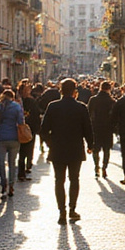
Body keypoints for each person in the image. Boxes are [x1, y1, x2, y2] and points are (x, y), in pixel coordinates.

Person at [40, 78, 93, 225]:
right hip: (75, 148)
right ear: (75, 91)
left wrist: (51, 143)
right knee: (74, 179)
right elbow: (87, 128)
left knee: (59, 180)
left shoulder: (53, 106)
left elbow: (43, 130)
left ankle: (61, 212)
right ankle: (72, 209)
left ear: (61, 91)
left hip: (58, 148)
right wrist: (90, 144)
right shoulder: (81, 107)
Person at [0, 88, 24, 199]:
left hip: (0, 137)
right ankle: (11, 185)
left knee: (1, 163)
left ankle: (3, 184)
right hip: (14, 137)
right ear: (13, 97)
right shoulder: (16, 106)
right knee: (12, 163)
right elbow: (21, 121)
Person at [87, 80, 114, 177]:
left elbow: (88, 113)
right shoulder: (111, 101)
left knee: (95, 149)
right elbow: (114, 116)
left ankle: (96, 166)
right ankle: (104, 167)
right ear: (109, 89)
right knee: (106, 149)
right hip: (107, 128)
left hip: (95, 128)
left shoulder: (93, 99)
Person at [16, 79, 40, 181]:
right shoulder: (30, 101)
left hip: (21, 128)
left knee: (23, 151)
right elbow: (36, 115)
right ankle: (25, 168)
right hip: (27, 129)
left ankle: (23, 170)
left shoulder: (17, 101)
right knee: (26, 150)